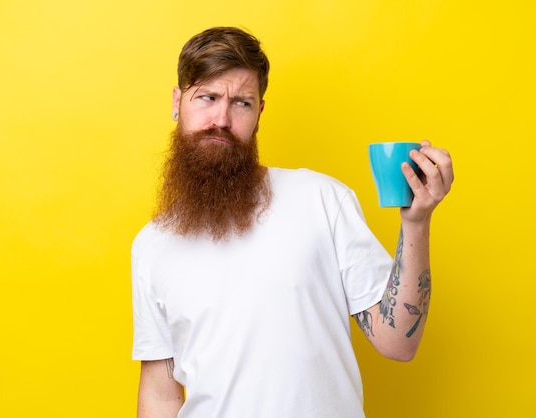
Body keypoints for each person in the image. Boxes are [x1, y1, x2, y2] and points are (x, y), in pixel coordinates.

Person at [131, 26, 454, 418]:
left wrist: (416, 223)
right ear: (178, 102)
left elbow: (398, 341)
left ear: (260, 113)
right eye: (208, 98)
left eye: (242, 103)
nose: (222, 119)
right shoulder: (151, 245)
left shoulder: (321, 198)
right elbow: (161, 395)